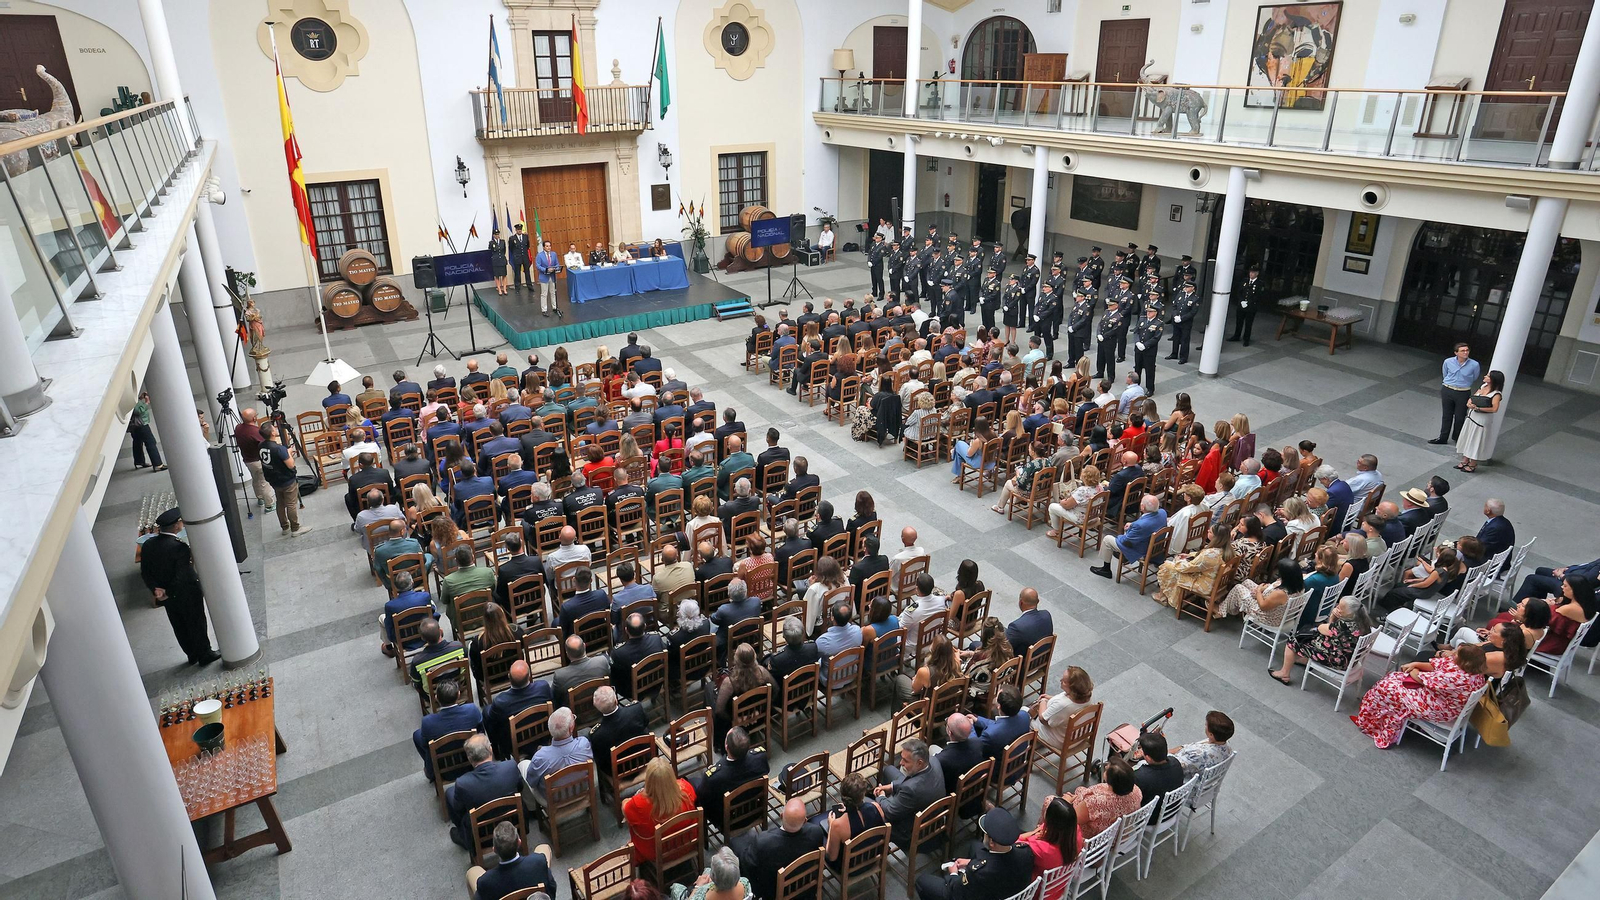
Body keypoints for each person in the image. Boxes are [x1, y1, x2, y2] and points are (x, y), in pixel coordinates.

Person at [1354, 644, 1490, 748]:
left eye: (1457, 654)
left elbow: (1419, 678)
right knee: (1393, 679)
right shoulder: (1475, 673)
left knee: (1387, 688)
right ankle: (1375, 718)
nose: (1453, 654)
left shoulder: (1457, 678)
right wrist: (1416, 664)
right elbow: (1435, 666)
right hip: (1442, 700)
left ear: (1464, 661)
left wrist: (1414, 669)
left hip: (1437, 707)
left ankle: (1373, 722)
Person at [139, 508, 220, 666]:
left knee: (179, 624)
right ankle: (205, 653)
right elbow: (182, 575)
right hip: (186, 592)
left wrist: (156, 589)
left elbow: (145, 572)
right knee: (196, 622)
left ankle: (191, 654)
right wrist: (168, 591)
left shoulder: (148, 544)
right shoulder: (179, 548)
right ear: (176, 526)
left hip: (165, 596)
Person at [913, 807, 1035, 900]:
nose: (984, 836)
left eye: (985, 834)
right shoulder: (1025, 852)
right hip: (1006, 889)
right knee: (975, 846)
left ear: (992, 842)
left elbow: (955, 891)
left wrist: (954, 874)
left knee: (922, 881)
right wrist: (971, 862)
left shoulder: (979, 873)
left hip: (980, 893)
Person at [735, 798, 826, 900]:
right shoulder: (816, 832)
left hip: (773, 893)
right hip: (806, 889)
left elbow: (747, 867)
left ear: (781, 815)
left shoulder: (764, 842)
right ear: (805, 821)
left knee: (737, 845)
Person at [1271, 597, 1373, 684]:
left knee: (1294, 641)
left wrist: (1333, 617)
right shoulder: (1363, 623)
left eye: (1340, 607)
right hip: (1349, 658)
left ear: (1348, 613)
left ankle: (1284, 673)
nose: (1337, 607)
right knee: (1312, 638)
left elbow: (1322, 628)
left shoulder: (1344, 625)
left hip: (1337, 660)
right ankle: (1304, 660)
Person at [446, 734, 521, 847]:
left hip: (481, 833)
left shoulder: (463, 783)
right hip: (513, 821)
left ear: (469, 758)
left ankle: (464, 836)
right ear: (490, 749)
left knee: (449, 793)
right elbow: (520, 788)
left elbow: (458, 808)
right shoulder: (510, 767)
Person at [693, 726, 770, 831]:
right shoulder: (760, 757)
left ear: (726, 747)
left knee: (695, 787)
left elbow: (703, 800)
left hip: (729, 822)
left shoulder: (714, 777)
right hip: (755, 810)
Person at [874, 738, 946, 847]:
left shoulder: (910, 789)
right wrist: (891, 787)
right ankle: (893, 797)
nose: (901, 763)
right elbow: (913, 781)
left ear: (919, 763)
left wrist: (881, 797)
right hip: (931, 813)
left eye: (906, 761)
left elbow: (890, 812)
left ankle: (879, 846)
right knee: (889, 770)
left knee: (870, 806)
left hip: (910, 831)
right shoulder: (933, 761)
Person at [624, 756, 697, 863]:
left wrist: (627, 800)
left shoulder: (637, 804)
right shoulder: (686, 789)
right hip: (687, 844)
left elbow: (625, 811)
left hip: (657, 854)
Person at [519, 706, 593, 805]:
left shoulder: (540, 757)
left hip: (552, 800)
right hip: (582, 790)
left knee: (522, 764)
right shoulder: (584, 744)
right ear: (571, 728)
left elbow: (531, 781)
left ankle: (531, 809)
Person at [466, 821, 555, 900]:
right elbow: (552, 888)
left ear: (494, 850)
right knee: (543, 847)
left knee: (472, 871)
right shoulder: (538, 862)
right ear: (519, 842)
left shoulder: (485, 882)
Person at [413, 679, 482, 782]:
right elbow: (481, 733)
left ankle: (432, 771)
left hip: (444, 770)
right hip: (472, 761)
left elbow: (425, 746)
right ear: (458, 694)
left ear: (436, 698)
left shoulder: (428, 722)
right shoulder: (472, 710)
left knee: (417, 735)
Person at [485, 660, 551, 758]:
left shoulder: (501, 702)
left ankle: (498, 752)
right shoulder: (543, 687)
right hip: (543, 736)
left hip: (516, 743)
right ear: (529, 676)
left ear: (509, 677)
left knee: (486, 712)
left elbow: (493, 724)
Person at [1090, 494, 1167, 579]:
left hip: (1141, 550)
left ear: (1142, 507)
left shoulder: (1140, 525)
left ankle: (1106, 569)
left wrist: (1120, 536)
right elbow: (1146, 523)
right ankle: (1120, 556)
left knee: (1107, 539)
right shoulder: (1163, 513)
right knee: (1127, 536)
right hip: (1156, 548)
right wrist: (1132, 525)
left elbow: (1126, 541)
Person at [823, 772, 886, 870]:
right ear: (863, 794)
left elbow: (832, 857)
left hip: (849, 868)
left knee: (819, 836)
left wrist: (831, 826)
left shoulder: (838, 825)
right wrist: (848, 809)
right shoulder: (876, 807)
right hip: (872, 859)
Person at [1068, 756, 1142, 839]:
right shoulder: (1136, 791)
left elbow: (1072, 820)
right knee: (1080, 790)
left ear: (1112, 781)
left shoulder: (1094, 803)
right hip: (1118, 835)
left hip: (1093, 840)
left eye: (1107, 769)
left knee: (1053, 802)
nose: (1106, 766)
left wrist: (1067, 801)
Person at [258, 422, 310, 536]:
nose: (276, 429)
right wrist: (289, 453)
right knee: (291, 504)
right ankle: (295, 528)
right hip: (286, 480)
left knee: (280, 503)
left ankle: (285, 527)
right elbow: (290, 465)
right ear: (272, 433)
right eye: (274, 428)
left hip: (273, 479)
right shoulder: (279, 449)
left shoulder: (261, 446)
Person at [590, 686, 650, 779]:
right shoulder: (636, 709)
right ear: (616, 700)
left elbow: (601, 762)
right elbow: (646, 722)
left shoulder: (597, 735)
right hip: (645, 758)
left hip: (620, 771)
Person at [1032, 666, 1094, 748]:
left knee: (1025, 713)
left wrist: (1042, 701)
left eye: (1064, 681)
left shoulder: (1063, 705)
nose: (1060, 680)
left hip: (1061, 741)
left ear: (1072, 688)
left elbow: (1043, 719)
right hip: (1077, 737)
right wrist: (1050, 698)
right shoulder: (1086, 696)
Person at [1430, 342, 1481, 445]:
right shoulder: (1448, 362)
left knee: (1460, 416)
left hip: (1463, 392)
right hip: (1448, 389)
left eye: (1467, 350)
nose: (1466, 352)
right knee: (1446, 415)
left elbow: (1475, 377)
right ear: (1456, 353)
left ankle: (1457, 437)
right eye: (1463, 351)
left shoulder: (1474, 364)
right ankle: (1443, 437)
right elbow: (1445, 374)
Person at [1454, 368, 1504, 472]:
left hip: (1481, 419)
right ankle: (1465, 459)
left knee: (1476, 439)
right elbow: (1473, 397)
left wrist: (1478, 408)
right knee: (1468, 437)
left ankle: (1473, 463)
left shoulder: (1496, 394)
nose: (1485, 376)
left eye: (1488, 376)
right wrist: (1469, 403)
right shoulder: (1483, 387)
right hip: (1472, 417)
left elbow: (1494, 408)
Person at [1019, 797, 1081, 877]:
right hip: (1061, 883)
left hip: (1038, 887)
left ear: (1050, 822)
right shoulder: (1076, 833)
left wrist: (1035, 832)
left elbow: (1017, 843)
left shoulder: (1041, 848)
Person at [1046, 464, 1106, 541]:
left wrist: (1062, 502)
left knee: (1052, 507)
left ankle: (1056, 531)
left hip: (1081, 518)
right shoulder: (1100, 487)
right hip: (1094, 517)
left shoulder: (1082, 491)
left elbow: (1067, 506)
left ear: (1085, 477)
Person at [1171, 710, 1235, 779]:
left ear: (1211, 735)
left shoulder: (1198, 754)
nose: (1205, 726)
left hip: (1185, 781)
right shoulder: (1227, 746)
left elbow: (1172, 766)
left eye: (1206, 725)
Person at [551, 636, 611, 708]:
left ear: (567, 654)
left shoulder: (560, 676)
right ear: (584, 646)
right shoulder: (602, 661)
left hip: (577, 715)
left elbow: (555, 700)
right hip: (602, 707)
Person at [1130, 732, 1186, 805]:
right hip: (1172, 808)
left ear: (1148, 758)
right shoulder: (1175, 762)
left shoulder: (1140, 776)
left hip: (1152, 814)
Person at [1005, 588, 1052, 659]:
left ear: (1021, 602)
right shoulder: (1046, 615)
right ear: (1038, 601)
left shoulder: (1018, 626)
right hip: (1041, 659)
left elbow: (1003, 647)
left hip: (1021, 666)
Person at [127, 390, 166, 470]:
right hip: (141, 424)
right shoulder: (130, 399)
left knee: (137, 442)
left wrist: (140, 399)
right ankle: (158, 464)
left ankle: (139, 462)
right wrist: (147, 402)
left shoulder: (126, 397)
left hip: (134, 426)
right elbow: (138, 410)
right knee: (150, 442)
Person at [488, 227, 509, 295]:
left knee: (504, 275)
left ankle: (504, 289)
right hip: (495, 261)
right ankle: (499, 289)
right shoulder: (491, 243)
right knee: (497, 276)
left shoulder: (502, 241)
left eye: (498, 234)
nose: (497, 235)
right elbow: (490, 251)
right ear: (493, 235)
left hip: (502, 260)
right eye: (496, 234)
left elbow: (504, 250)